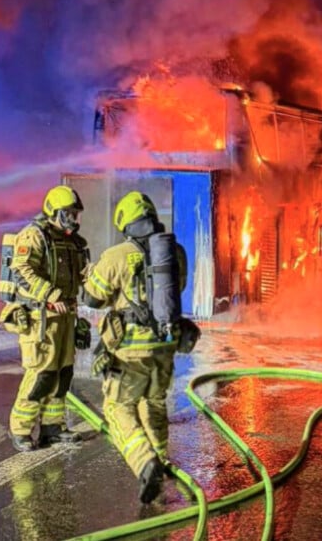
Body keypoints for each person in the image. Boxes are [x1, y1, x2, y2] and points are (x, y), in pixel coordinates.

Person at [81, 191, 188, 504]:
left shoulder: (117, 255)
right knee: (154, 402)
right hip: (166, 343)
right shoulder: (174, 251)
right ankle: (161, 459)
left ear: (125, 223)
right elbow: (176, 289)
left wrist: (91, 273)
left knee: (118, 408)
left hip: (130, 348)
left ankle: (145, 462)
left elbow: (92, 298)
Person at [0, 185, 92, 452]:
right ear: (54, 212)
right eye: (69, 214)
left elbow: (83, 274)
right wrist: (50, 294)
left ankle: (53, 427)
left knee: (63, 374)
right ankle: (21, 429)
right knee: (42, 373)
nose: (74, 219)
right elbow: (22, 269)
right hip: (41, 317)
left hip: (65, 317)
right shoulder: (34, 235)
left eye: (76, 214)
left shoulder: (72, 241)